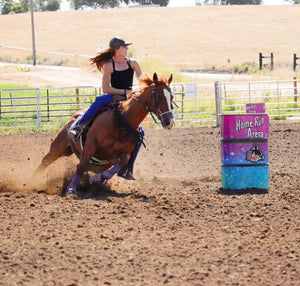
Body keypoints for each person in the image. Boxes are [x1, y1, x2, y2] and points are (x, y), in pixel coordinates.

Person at [68, 36, 143, 180]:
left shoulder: (133, 63)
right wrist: (124, 92)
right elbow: (105, 88)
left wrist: (142, 90)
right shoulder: (109, 65)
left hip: (128, 97)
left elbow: (143, 80)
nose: (127, 49)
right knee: (99, 101)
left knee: (140, 133)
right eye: (124, 47)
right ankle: (78, 127)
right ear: (117, 49)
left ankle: (128, 169)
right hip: (114, 95)